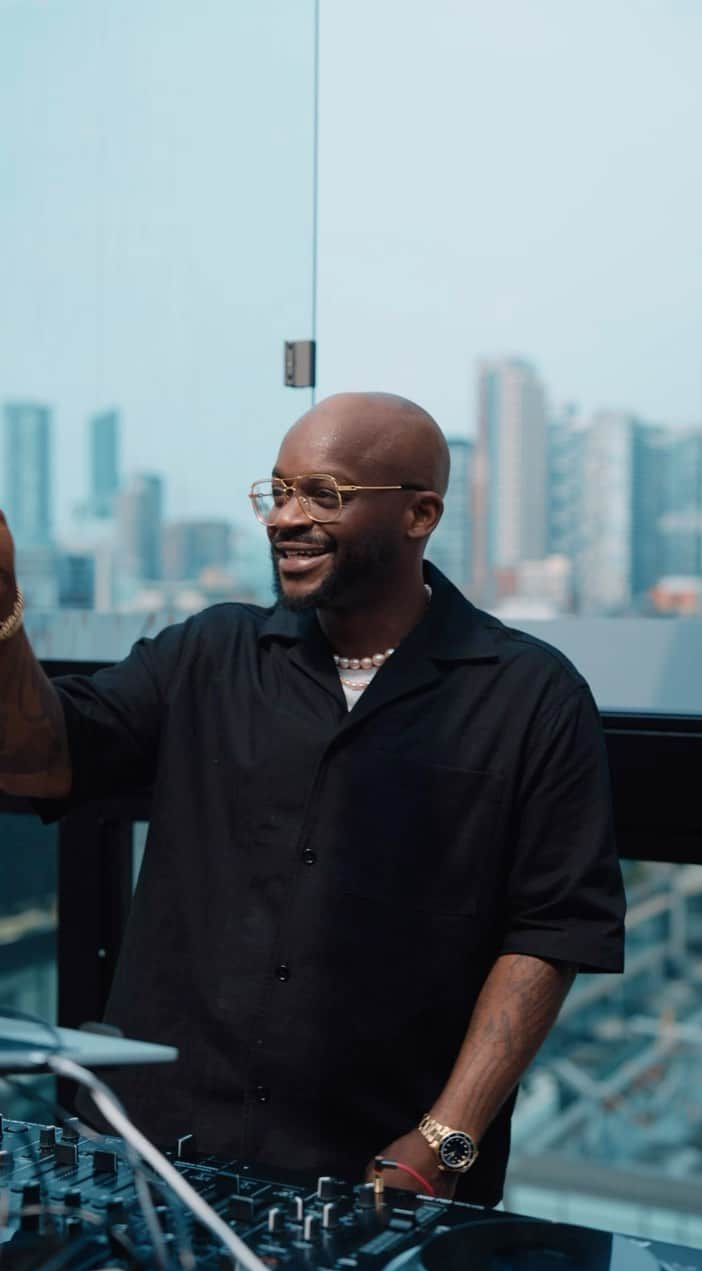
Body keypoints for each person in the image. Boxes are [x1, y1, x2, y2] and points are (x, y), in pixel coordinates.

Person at [0, 392, 625, 1206]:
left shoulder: (532, 695)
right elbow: (40, 763)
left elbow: (551, 931)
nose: (284, 518)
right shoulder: (207, 652)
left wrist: (445, 1140)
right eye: (277, 491)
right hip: (153, 1159)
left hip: (379, 1174)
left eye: (322, 494)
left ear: (420, 514)